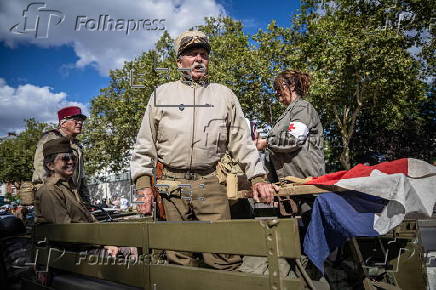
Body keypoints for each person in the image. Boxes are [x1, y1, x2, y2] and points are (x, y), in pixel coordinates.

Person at [130, 30, 278, 270]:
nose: (198, 59)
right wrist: (143, 187)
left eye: (203, 54)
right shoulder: (161, 94)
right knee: (178, 258)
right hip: (171, 186)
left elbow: (241, 141)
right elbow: (144, 144)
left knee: (223, 256)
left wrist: (258, 177)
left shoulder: (224, 95)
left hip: (210, 184)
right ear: (179, 62)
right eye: (191, 54)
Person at [34, 138, 119, 256]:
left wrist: (107, 241)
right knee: (130, 253)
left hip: (84, 245)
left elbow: (90, 219)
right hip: (68, 253)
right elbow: (66, 231)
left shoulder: (70, 188)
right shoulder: (49, 191)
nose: (71, 162)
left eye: (73, 158)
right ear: (50, 165)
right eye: (64, 158)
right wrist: (102, 243)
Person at [256, 70, 325, 181]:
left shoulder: (302, 107)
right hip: (289, 185)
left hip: (307, 186)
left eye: (278, 88)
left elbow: (294, 138)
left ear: (292, 86)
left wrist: (266, 143)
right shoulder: (288, 113)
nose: (276, 92)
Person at [32, 106, 90, 204]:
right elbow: (41, 167)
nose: (80, 123)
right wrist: (53, 192)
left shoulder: (76, 144)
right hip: (54, 193)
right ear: (63, 123)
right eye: (76, 120)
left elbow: (80, 174)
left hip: (71, 193)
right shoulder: (51, 138)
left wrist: (85, 198)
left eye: (81, 121)